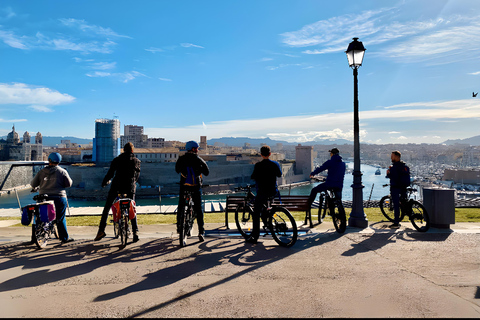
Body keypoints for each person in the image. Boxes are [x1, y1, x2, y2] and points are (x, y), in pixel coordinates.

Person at [94, 142, 141, 242]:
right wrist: (133, 182)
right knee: (132, 207)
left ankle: (101, 230)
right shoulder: (136, 161)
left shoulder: (117, 160)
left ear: (123, 150)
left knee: (107, 207)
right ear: (132, 151)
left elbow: (110, 174)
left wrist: (104, 183)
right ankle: (135, 232)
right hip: (130, 187)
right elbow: (137, 176)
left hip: (117, 186)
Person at [30, 152, 74, 243]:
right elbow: (68, 184)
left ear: (49, 160)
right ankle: (64, 238)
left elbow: (33, 184)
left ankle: (36, 236)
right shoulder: (62, 171)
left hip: (44, 198)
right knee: (60, 218)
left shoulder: (41, 172)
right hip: (59, 197)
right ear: (59, 161)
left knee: (41, 216)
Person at [175, 140, 210, 242]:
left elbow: (177, 170)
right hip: (195, 187)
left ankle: (179, 227)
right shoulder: (199, 160)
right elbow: (207, 172)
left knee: (181, 206)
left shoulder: (181, 159)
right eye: (197, 148)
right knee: (199, 209)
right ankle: (201, 231)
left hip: (184, 186)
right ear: (194, 149)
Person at [248, 145, 282, 244]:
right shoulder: (275, 164)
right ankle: (267, 220)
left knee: (256, 213)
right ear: (270, 154)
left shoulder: (258, 165)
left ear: (261, 154)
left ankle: (255, 236)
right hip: (273, 191)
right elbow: (279, 174)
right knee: (266, 208)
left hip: (262, 192)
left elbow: (253, 176)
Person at [307, 148, 346, 213]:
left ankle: (308, 206)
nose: (330, 155)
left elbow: (321, 168)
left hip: (330, 183)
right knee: (339, 201)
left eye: (330, 153)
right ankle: (342, 217)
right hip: (339, 185)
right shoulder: (343, 164)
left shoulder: (330, 162)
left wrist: (312, 174)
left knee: (314, 190)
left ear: (332, 154)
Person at [386, 150, 409, 229]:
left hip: (395, 187)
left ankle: (396, 222)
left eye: (392, 156)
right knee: (404, 201)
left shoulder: (394, 167)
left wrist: (388, 173)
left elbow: (392, 177)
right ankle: (409, 214)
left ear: (397, 157)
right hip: (404, 186)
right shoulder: (404, 166)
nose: (391, 157)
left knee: (396, 204)